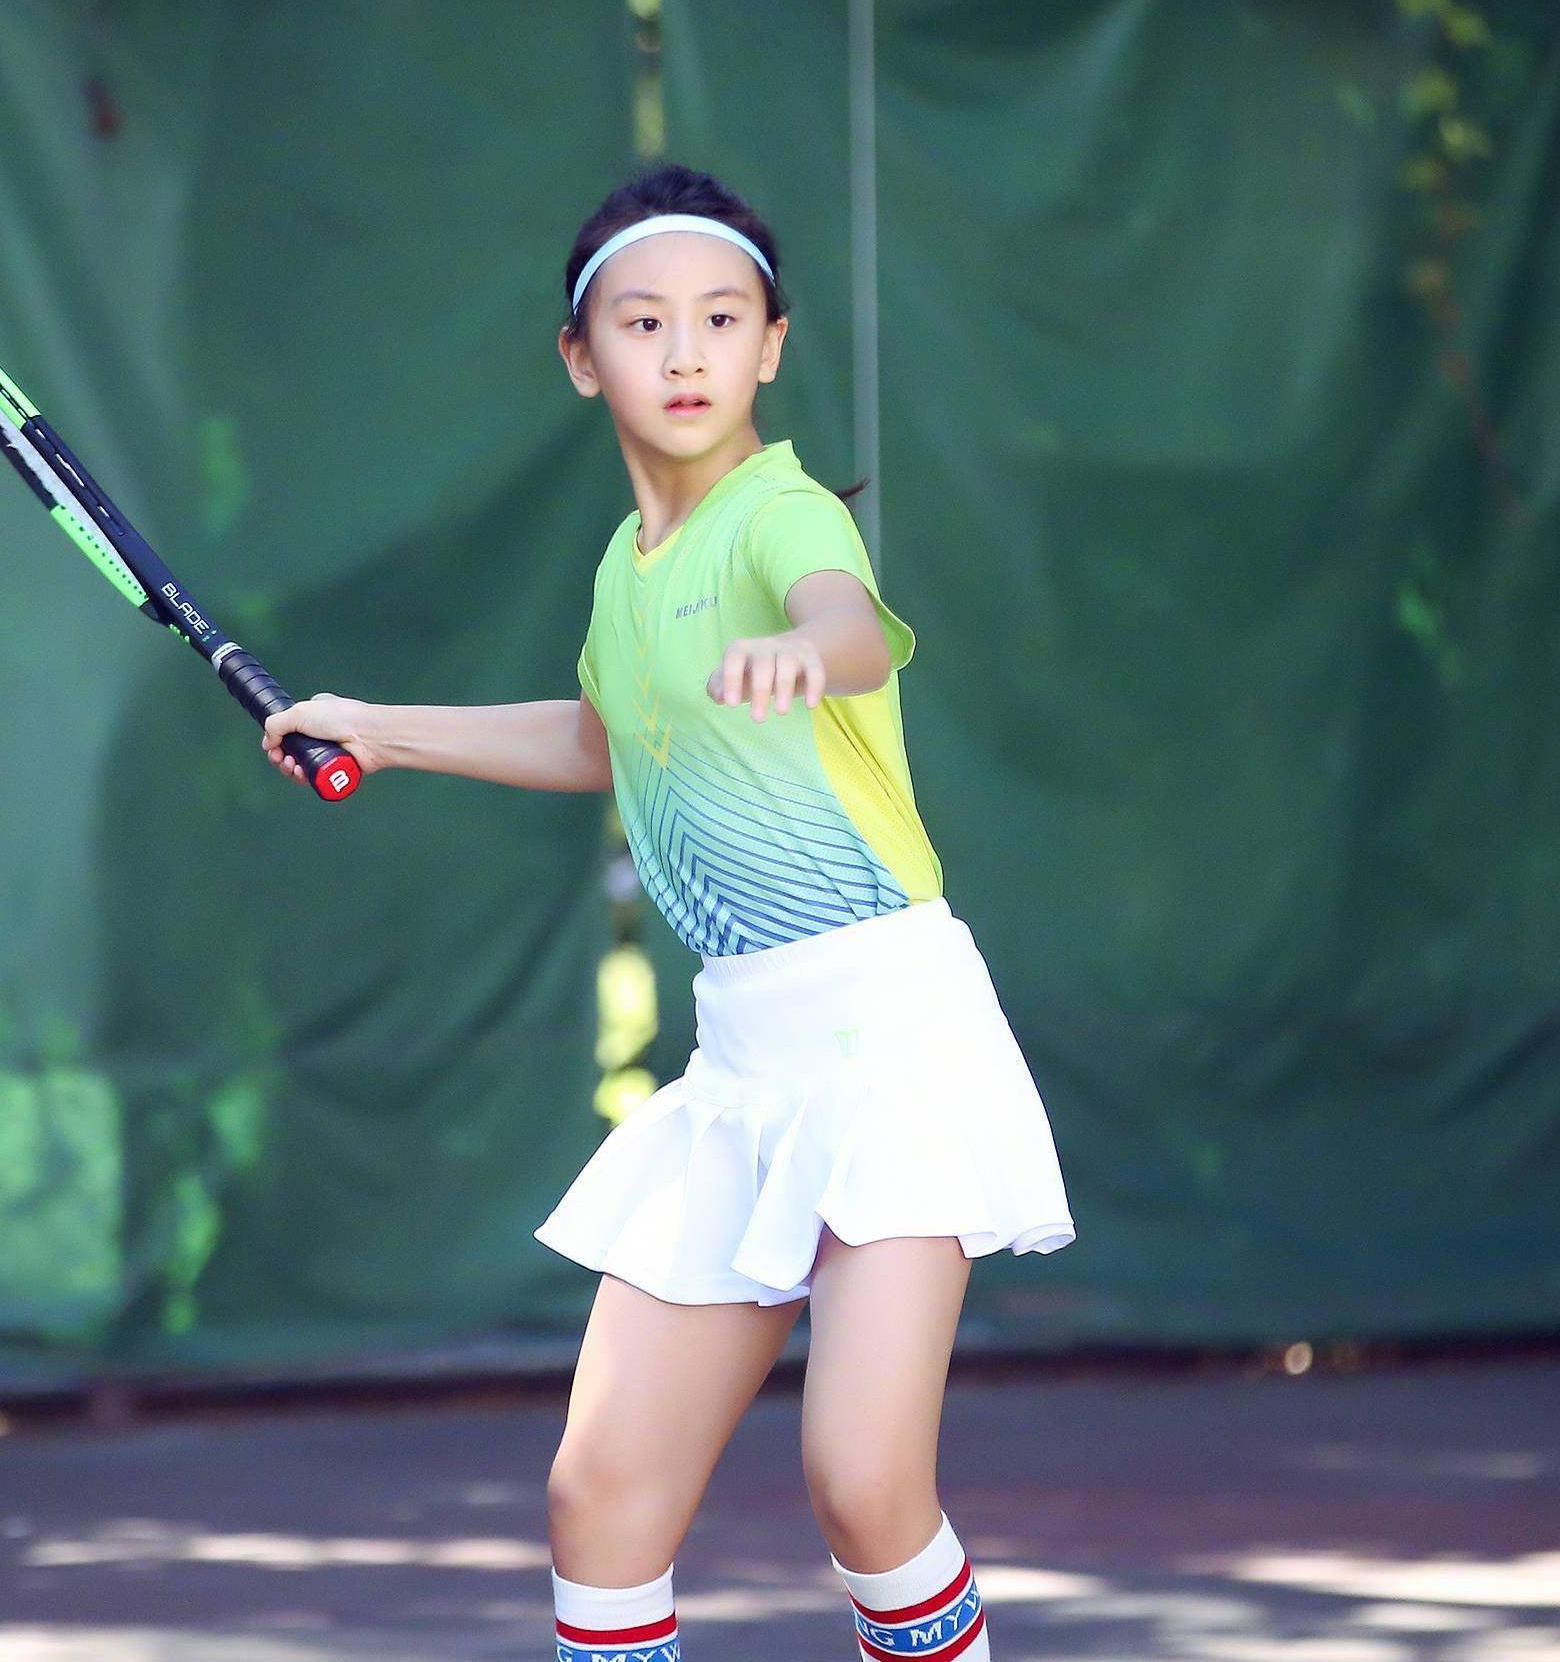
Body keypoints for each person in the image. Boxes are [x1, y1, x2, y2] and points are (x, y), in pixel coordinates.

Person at [262, 163, 1074, 1661]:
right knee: (601, 1499)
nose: (686, 351)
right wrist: (382, 725)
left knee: (864, 1481)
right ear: (584, 359)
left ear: (772, 347)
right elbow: (601, 742)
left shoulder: (783, 512)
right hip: (745, 1062)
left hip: (894, 1041)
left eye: (721, 318)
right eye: (644, 322)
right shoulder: (620, 577)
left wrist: (807, 657)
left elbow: (844, 622)